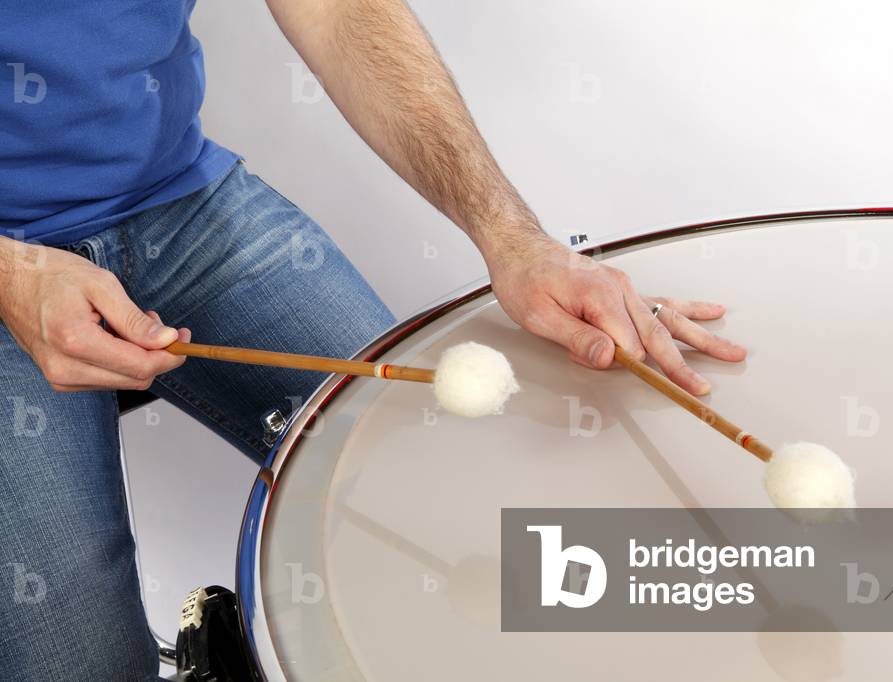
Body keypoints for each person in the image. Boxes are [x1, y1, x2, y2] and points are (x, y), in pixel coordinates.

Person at [0, 0, 746, 677]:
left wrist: (512, 237)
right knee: (82, 665)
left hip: (179, 198)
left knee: (446, 494)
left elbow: (337, 10)